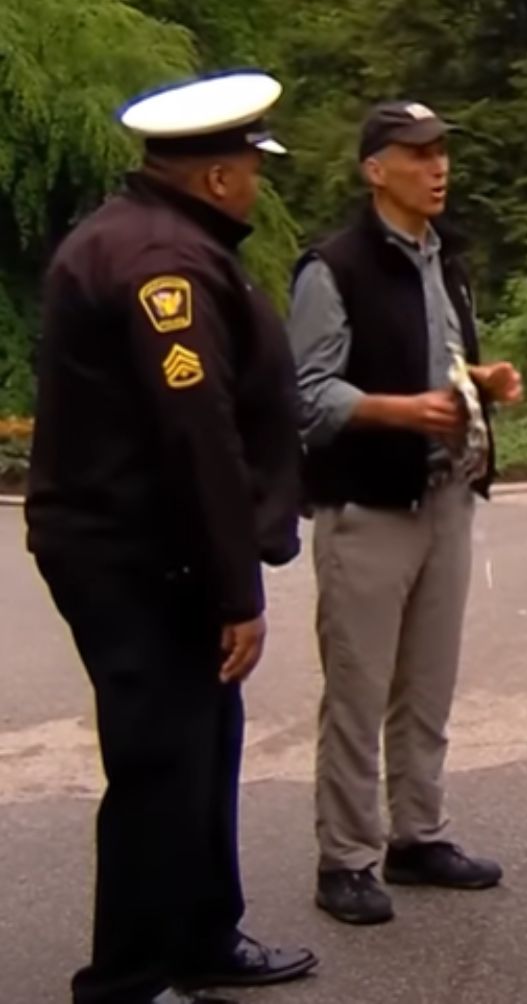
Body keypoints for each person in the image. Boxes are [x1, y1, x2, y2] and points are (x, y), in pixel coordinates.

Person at [25, 71, 318, 1004]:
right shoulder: (165, 264)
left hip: (158, 546)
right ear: (220, 177)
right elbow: (197, 434)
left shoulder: (158, 235)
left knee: (206, 741)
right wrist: (239, 592)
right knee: (159, 758)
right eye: (252, 168)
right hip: (138, 554)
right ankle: (129, 978)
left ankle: (202, 934)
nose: (258, 186)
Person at [287, 100, 524, 926]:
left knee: (427, 685)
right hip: (368, 506)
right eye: (417, 153)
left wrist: (479, 383)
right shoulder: (333, 266)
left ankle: (418, 836)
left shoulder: (445, 259)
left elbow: (444, 362)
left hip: (447, 498)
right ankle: (345, 858)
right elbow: (306, 396)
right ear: (374, 168)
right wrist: (399, 410)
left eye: (442, 152)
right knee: (358, 688)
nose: (438, 167)